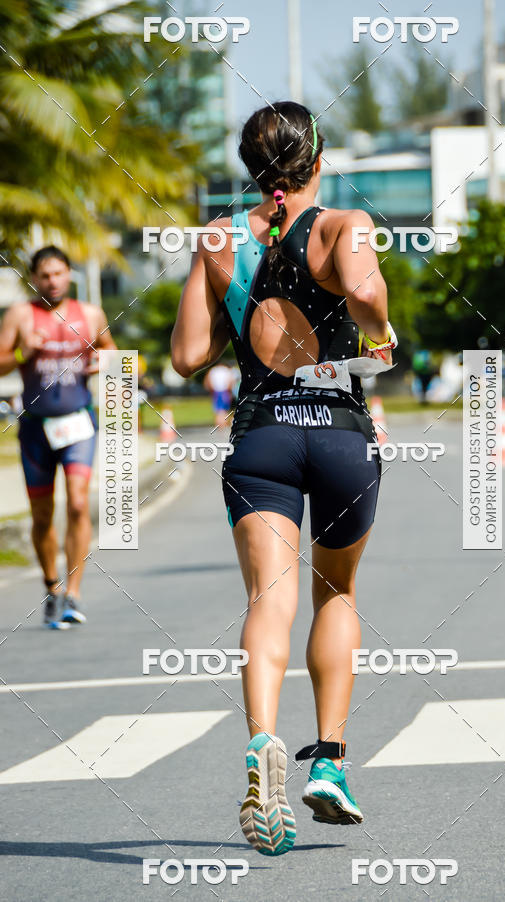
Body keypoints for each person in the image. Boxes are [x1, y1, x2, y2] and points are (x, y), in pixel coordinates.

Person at [171, 102, 395, 856]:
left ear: (250, 168)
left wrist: (218, 274)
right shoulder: (344, 225)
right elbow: (367, 304)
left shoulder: (216, 240)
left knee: (269, 598)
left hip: (261, 435)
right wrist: (380, 327)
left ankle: (263, 741)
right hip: (338, 435)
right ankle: (329, 763)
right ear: (319, 160)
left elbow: (186, 357)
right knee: (337, 593)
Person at [0, 246, 116, 627]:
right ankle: (51, 584)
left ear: (70, 274)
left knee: (80, 504)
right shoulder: (21, 314)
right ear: (34, 279)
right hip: (35, 426)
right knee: (42, 514)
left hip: (78, 421)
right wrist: (21, 352)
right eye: (45, 275)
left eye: (59, 273)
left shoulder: (91, 314)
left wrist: (104, 361)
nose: (53, 281)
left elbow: (112, 353)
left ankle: (74, 593)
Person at [203, 362, 234, 428]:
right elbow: (230, 381)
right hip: (225, 390)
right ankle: (222, 424)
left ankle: (220, 424)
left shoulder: (212, 370)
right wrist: (229, 391)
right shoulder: (226, 370)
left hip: (216, 391)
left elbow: (207, 381)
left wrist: (211, 390)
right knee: (224, 409)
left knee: (218, 409)